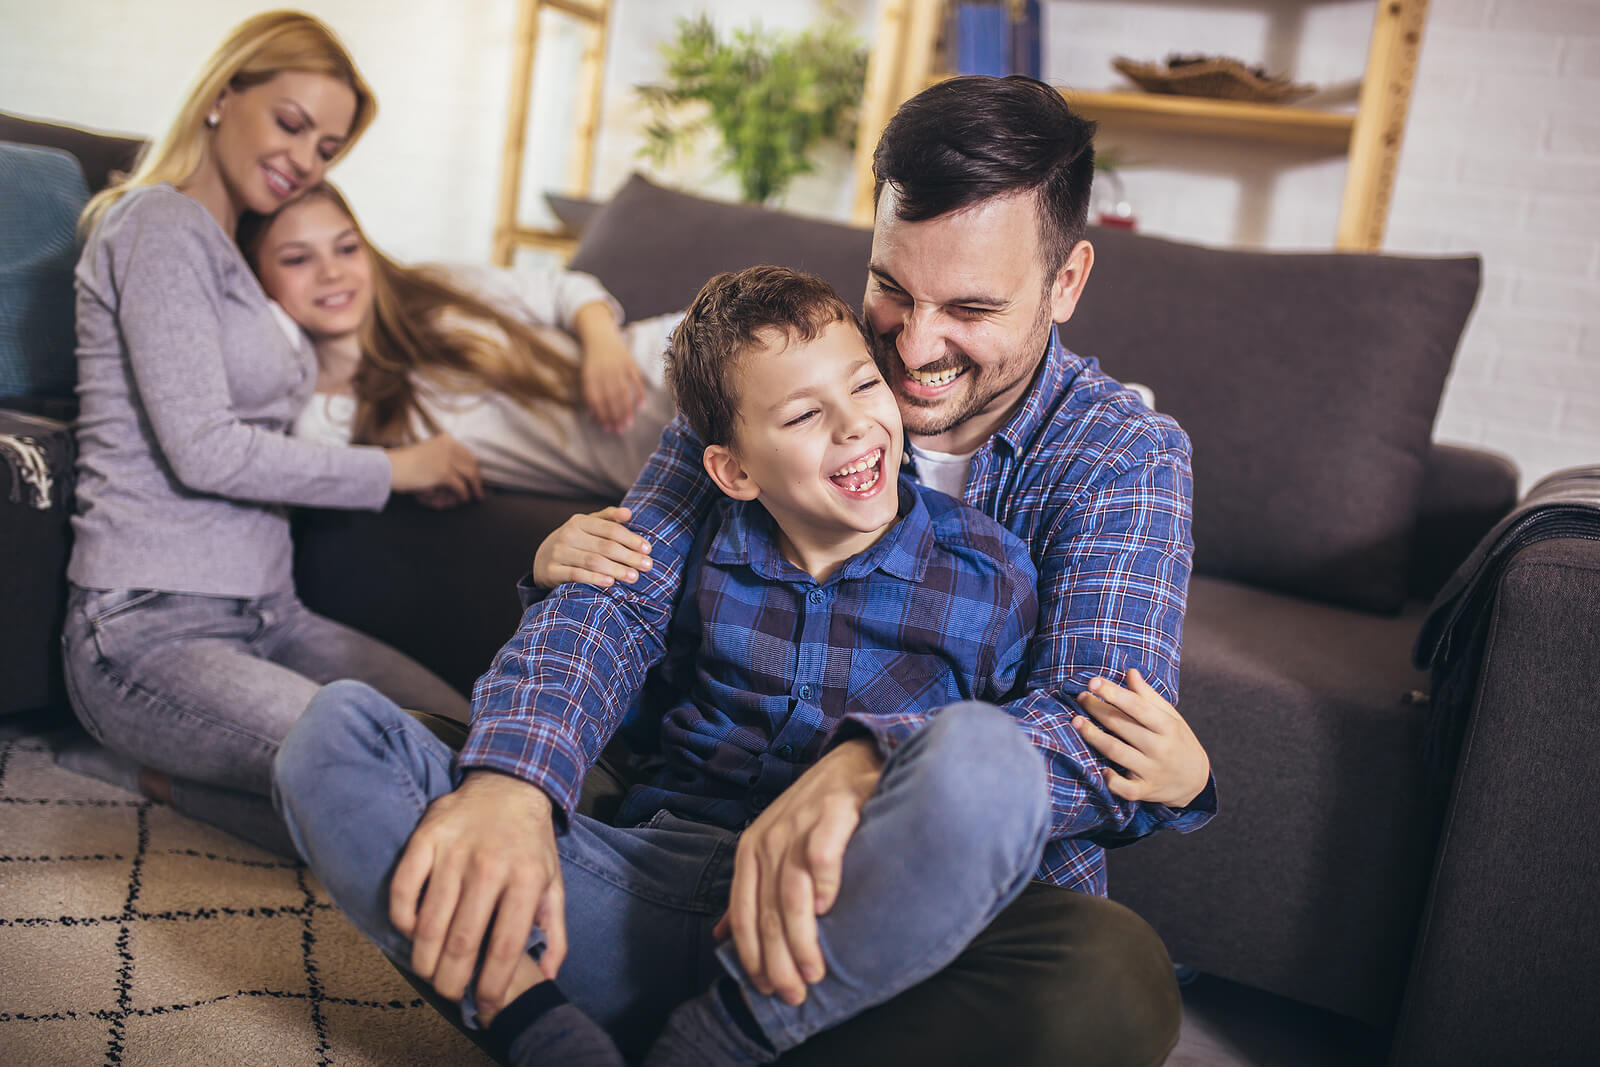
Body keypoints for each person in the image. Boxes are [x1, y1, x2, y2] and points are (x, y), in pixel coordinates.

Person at [282, 74, 1216, 1065]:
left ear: (1066, 282)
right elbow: (620, 600)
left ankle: (676, 1023)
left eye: (971, 307)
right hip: (677, 846)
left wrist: (868, 762)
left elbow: (1097, 729)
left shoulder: (1125, 455)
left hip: (910, 918)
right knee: (361, 752)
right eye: (893, 288)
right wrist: (515, 780)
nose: (913, 344)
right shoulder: (780, 366)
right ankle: (604, 1017)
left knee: (1109, 984)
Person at [58, 10, 482, 857]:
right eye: (291, 123)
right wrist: (395, 467)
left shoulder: (236, 256)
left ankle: (193, 779)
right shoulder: (154, 224)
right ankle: (154, 776)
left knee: (484, 748)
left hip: (273, 614)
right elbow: (205, 447)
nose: (304, 160)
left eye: (327, 148)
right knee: (402, 785)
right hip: (147, 628)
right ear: (223, 94)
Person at [239, 183, 683, 500]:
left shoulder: (434, 288)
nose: (331, 272)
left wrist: (602, 344)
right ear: (257, 280)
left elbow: (564, 290)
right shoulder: (322, 421)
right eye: (298, 259)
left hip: (670, 356)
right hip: (660, 458)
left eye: (347, 248)